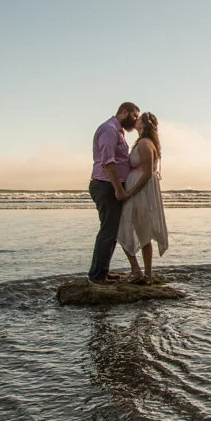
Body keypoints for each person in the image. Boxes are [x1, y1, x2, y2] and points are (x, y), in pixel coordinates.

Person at [88, 102, 139, 284]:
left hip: (110, 185)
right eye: (134, 116)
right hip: (106, 185)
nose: (136, 120)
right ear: (124, 112)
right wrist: (118, 189)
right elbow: (108, 162)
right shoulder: (109, 129)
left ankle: (102, 272)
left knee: (112, 232)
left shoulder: (118, 131)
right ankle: (97, 277)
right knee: (108, 231)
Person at [116, 112, 169, 283]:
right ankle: (144, 273)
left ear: (144, 125)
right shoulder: (142, 142)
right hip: (139, 190)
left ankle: (142, 273)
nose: (135, 120)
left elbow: (146, 174)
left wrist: (130, 192)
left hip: (140, 192)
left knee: (131, 229)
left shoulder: (145, 143)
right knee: (140, 231)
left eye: (138, 119)